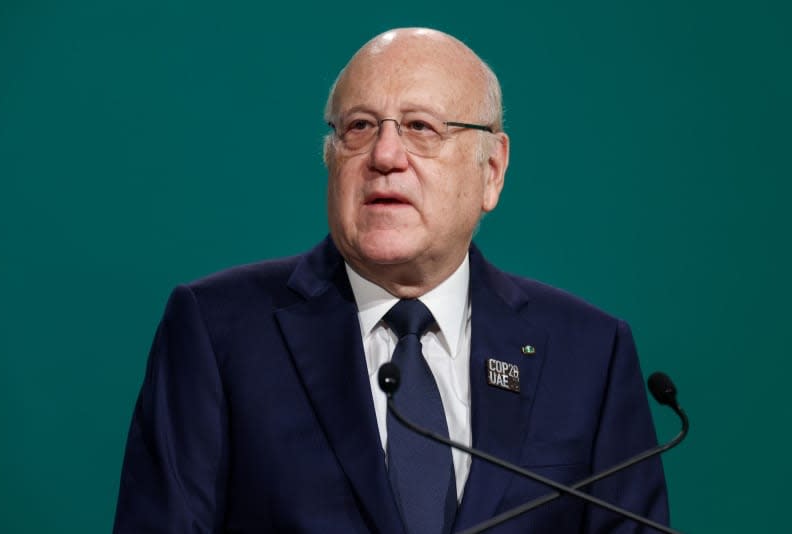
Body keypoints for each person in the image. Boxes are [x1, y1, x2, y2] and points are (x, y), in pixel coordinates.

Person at [114, 28, 669, 533]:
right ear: (331, 159)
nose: (384, 155)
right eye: (358, 127)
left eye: (421, 127)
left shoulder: (590, 355)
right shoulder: (218, 331)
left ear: (492, 171)